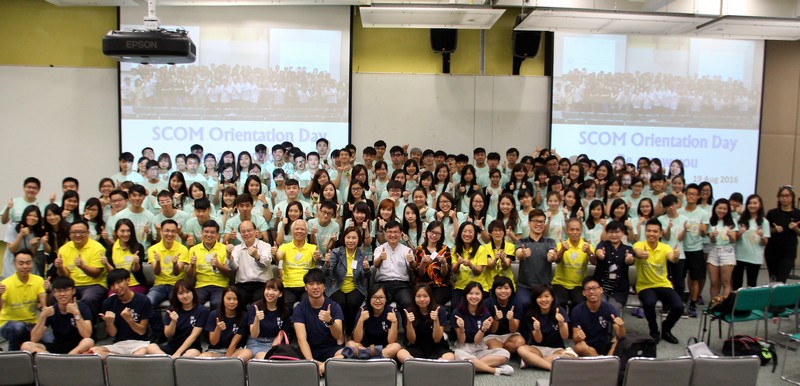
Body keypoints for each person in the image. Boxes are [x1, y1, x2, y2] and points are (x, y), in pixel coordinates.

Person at [632, 218, 683, 344]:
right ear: (645, 232)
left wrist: (676, 257)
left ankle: (666, 329)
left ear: (660, 233)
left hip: (663, 284)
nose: (651, 234)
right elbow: (636, 252)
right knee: (649, 303)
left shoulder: (665, 247)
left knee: (679, 307)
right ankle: (654, 330)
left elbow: (672, 258)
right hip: (645, 286)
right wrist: (641, 255)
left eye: (655, 231)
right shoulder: (639, 245)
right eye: (648, 231)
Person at [451, 281, 514, 376]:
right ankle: (495, 370)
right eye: (471, 293)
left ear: (481, 296)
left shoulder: (485, 313)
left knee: (505, 353)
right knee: (459, 354)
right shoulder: (457, 312)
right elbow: (461, 340)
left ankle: (469, 367)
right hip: (463, 347)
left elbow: (477, 341)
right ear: (465, 295)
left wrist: (483, 329)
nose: (474, 297)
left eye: (477, 294)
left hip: (479, 348)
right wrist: (462, 328)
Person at [292, 268, 345, 376]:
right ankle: (325, 367)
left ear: (324, 286)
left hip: (331, 350)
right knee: (291, 358)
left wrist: (330, 321)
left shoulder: (334, 306)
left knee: (346, 354)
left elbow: (338, 336)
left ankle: (323, 367)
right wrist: (312, 363)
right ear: (306, 287)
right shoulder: (300, 308)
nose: (315, 287)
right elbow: (301, 339)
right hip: (309, 350)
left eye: (319, 283)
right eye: (311, 284)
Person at [21, 276, 94, 354]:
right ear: (54, 293)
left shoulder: (82, 307)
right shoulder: (52, 310)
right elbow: (34, 339)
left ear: (73, 291)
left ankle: (64, 360)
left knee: (88, 341)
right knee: (26, 345)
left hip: (77, 348)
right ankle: (54, 360)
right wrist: (42, 317)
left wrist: (76, 314)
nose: (62, 294)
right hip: (57, 346)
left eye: (66, 290)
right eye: (58, 291)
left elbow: (87, 335)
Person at [90, 269, 153, 357]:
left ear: (128, 281)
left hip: (140, 344)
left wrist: (129, 320)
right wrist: (109, 323)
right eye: (112, 285)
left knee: (140, 354)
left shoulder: (143, 300)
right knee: (94, 351)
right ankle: (120, 360)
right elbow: (112, 334)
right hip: (119, 344)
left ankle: (119, 361)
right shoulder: (108, 303)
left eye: (119, 282)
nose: (116, 287)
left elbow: (142, 331)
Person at [324, 226, 369, 337]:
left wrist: (366, 269)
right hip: (337, 286)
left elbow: (365, 276)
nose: (351, 240)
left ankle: (349, 333)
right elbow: (328, 273)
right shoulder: (336, 252)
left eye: (354, 238)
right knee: (341, 303)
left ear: (359, 240)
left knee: (352, 303)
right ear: (343, 238)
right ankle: (339, 332)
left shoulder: (362, 254)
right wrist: (328, 264)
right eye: (348, 237)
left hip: (356, 286)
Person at [517, 285, 576, 370]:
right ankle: (550, 367)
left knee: (569, 355)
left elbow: (565, 337)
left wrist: (561, 323)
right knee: (521, 349)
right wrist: (537, 329)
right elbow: (538, 340)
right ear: (535, 300)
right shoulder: (531, 313)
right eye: (539, 297)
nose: (544, 300)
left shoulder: (559, 311)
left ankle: (534, 362)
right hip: (537, 349)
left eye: (547, 296)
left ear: (552, 298)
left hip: (556, 349)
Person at [55, 221, 107, 317]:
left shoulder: (98, 248)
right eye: (74, 232)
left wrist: (82, 266)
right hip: (72, 284)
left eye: (81, 232)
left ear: (88, 233)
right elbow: (64, 276)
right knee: (55, 296)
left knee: (88, 299)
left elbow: (96, 274)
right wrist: (60, 267)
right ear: (69, 234)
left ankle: (89, 325)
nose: (78, 235)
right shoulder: (63, 249)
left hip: (94, 284)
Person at [147, 279, 208, 357]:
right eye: (180, 293)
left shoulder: (202, 310)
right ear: (176, 295)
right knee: (150, 347)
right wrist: (173, 322)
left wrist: (177, 354)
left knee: (192, 354)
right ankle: (168, 360)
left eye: (187, 292)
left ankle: (170, 361)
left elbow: (193, 336)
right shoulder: (172, 309)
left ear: (193, 292)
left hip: (191, 348)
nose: (185, 296)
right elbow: (168, 335)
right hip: (172, 346)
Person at [0, 251, 47, 351]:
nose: (25, 266)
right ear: (14, 264)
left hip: (31, 323)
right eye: (21, 263)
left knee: (49, 339)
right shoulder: (6, 284)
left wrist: (46, 292)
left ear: (32, 263)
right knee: (18, 328)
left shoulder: (38, 280)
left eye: (28, 263)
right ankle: (12, 358)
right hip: (8, 324)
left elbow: (43, 302)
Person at [396, 283, 454, 363]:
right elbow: (412, 340)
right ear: (414, 298)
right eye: (418, 296)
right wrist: (409, 323)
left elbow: (437, 339)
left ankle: (417, 365)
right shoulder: (409, 311)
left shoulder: (440, 310)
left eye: (425, 296)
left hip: (437, 347)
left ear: (430, 297)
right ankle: (423, 365)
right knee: (401, 353)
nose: (422, 299)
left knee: (450, 357)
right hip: (418, 346)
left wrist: (436, 321)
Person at [570, 277, 626, 356]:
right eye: (588, 289)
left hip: (605, 344)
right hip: (587, 346)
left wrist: (621, 327)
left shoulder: (609, 308)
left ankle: (601, 361)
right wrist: (579, 337)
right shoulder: (577, 310)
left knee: (618, 343)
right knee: (579, 347)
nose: (592, 291)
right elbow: (575, 339)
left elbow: (621, 336)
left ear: (601, 290)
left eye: (595, 288)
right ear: (583, 293)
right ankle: (604, 362)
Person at [344, 284, 402, 359]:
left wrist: (394, 321)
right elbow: (357, 339)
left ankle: (366, 357)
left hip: (384, 348)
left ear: (386, 299)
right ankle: (375, 357)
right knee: (350, 344)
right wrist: (361, 320)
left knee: (396, 346)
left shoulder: (392, 312)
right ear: (369, 299)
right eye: (374, 297)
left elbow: (391, 341)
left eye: (381, 297)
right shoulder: (363, 311)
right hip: (365, 347)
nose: (377, 301)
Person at [514, 210, 558, 307]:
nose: (539, 224)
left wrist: (552, 256)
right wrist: (523, 254)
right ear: (529, 223)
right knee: (523, 303)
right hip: (525, 287)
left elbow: (552, 253)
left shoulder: (550, 242)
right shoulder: (522, 241)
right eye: (535, 221)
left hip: (544, 287)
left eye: (541, 221)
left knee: (553, 304)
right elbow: (518, 254)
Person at [183, 220, 230, 310]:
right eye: (206, 232)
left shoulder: (224, 249)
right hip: (201, 286)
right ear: (202, 233)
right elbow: (189, 275)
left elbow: (228, 274)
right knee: (193, 302)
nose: (209, 235)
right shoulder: (194, 249)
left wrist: (218, 265)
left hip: (220, 286)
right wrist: (192, 265)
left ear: (217, 235)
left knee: (217, 303)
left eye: (212, 232)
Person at [678, 183, 709, 317]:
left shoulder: (703, 213)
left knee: (695, 278)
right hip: (681, 249)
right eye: (689, 194)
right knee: (679, 278)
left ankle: (692, 303)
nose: (691, 196)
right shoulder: (679, 211)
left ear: (698, 196)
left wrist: (703, 231)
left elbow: (704, 233)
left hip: (696, 249)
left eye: (694, 194)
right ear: (685, 195)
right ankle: (678, 303)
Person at [372, 220, 415, 315]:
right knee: (378, 302)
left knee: (408, 303)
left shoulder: (406, 250)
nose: (392, 235)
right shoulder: (379, 249)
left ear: (400, 234)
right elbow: (375, 264)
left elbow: (412, 267)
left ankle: (408, 329)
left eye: (396, 232)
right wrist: (380, 258)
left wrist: (411, 261)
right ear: (385, 233)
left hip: (402, 285)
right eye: (390, 232)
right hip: (384, 284)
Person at [552, 218, 595, 311]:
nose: (574, 232)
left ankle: (574, 324)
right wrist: (562, 250)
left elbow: (595, 262)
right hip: (560, 283)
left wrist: (589, 252)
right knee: (559, 302)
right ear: (567, 231)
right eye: (571, 229)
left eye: (577, 229)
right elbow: (557, 260)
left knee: (580, 304)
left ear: (581, 231)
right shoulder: (561, 245)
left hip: (578, 285)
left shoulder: (587, 246)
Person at [277, 219, 322, 307]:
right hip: (288, 286)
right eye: (297, 229)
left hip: (306, 286)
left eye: (302, 229)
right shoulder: (284, 247)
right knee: (285, 305)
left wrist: (318, 257)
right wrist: (275, 254)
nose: (299, 231)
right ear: (292, 231)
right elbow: (278, 257)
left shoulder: (312, 248)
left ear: (306, 232)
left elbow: (317, 259)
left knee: (308, 305)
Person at [591, 221, 634, 311]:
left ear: (622, 233)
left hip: (619, 291)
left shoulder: (628, 248)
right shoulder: (602, 244)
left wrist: (629, 259)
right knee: (600, 306)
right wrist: (600, 254)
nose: (614, 235)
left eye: (617, 232)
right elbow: (598, 251)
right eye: (611, 232)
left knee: (611, 309)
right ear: (606, 233)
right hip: (600, 288)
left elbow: (630, 259)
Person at [227, 220, 273, 305]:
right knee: (237, 301)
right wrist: (229, 257)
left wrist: (257, 256)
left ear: (256, 231)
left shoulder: (265, 246)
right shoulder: (237, 248)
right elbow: (234, 267)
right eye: (243, 231)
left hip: (262, 284)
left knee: (258, 303)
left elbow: (266, 263)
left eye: (249, 230)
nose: (246, 233)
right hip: (242, 285)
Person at [733, 194, 770, 289]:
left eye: (755, 203)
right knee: (736, 283)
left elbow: (765, 243)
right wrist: (740, 233)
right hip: (739, 256)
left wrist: (762, 236)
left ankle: (749, 303)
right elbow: (734, 238)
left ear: (760, 205)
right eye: (749, 203)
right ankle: (736, 303)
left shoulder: (764, 222)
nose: (752, 205)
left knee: (752, 284)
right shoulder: (739, 219)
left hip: (755, 257)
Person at [765, 186, 800, 283]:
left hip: (788, 252)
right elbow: (765, 231)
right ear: (778, 197)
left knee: (781, 280)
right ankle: (771, 297)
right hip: (772, 251)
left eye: (787, 196)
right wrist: (774, 230)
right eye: (782, 196)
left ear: (792, 197)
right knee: (773, 279)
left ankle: (779, 297)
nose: (784, 198)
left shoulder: (797, 213)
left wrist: (795, 228)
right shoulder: (772, 213)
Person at [102, 219, 147, 294]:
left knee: (130, 297)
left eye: (128, 231)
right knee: (112, 299)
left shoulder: (138, 247)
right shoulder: (111, 248)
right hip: (117, 285)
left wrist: (136, 263)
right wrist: (106, 263)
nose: (126, 234)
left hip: (135, 283)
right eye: (122, 231)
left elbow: (137, 270)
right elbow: (112, 272)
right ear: (116, 232)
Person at [483, 276, 525, 354]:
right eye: (499, 288)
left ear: (511, 290)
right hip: (492, 336)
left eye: (506, 288)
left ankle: (505, 349)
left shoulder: (517, 303)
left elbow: (513, 330)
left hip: (511, 335)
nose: (503, 291)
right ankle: (506, 350)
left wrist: (511, 319)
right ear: (494, 290)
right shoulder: (487, 303)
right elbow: (492, 330)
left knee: (520, 343)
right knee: (496, 348)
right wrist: (496, 319)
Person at [414, 221, 452, 306]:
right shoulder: (419, 250)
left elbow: (445, 274)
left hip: (441, 286)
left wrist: (443, 263)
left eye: (438, 233)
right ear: (427, 232)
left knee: (435, 303)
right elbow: (419, 275)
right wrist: (423, 263)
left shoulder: (445, 250)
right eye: (432, 232)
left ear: (441, 235)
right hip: (423, 285)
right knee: (423, 300)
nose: (434, 235)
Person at [707, 198, 738, 299]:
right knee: (714, 282)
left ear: (728, 210)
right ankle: (714, 305)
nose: (722, 211)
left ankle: (724, 306)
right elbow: (711, 241)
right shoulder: (710, 221)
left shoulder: (732, 222)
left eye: (725, 209)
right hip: (713, 251)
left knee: (726, 282)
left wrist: (730, 235)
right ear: (715, 208)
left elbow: (734, 240)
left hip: (727, 252)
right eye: (720, 208)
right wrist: (712, 236)